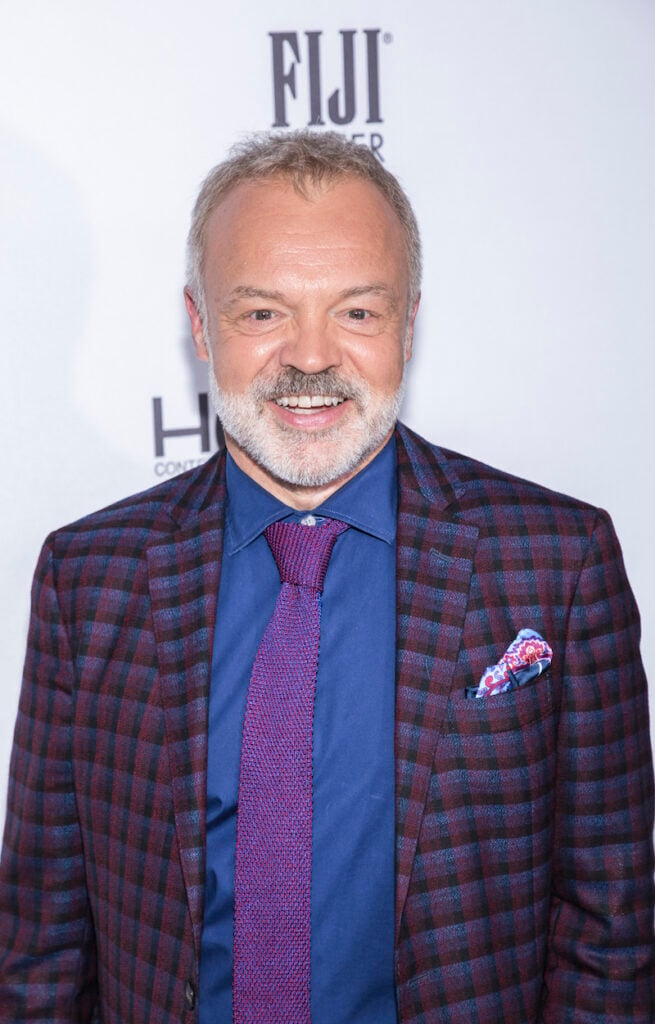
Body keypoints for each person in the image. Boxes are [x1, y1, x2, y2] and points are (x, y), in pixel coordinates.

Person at [0, 131, 653, 1024]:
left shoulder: (555, 560)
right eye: (262, 313)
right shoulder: (90, 578)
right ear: (198, 324)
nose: (310, 358)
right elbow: (41, 943)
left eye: (356, 312)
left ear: (409, 321)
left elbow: (610, 928)